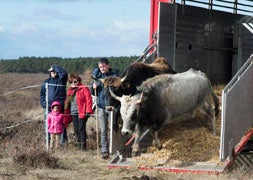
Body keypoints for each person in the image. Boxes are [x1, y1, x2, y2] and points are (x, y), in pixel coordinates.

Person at [91, 58, 119, 159]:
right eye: (100, 67)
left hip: (111, 106)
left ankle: (114, 149)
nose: (102, 68)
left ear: (108, 65)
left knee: (113, 129)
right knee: (103, 130)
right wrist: (93, 87)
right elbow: (92, 92)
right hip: (101, 106)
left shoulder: (114, 76)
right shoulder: (96, 78)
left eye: (104, 66)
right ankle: (104, 151)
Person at [40, 64, 68, 145]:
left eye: (55, 71)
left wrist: (54, 67)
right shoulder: (46, 82)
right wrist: (44, 104)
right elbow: (42, 94)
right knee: (48, 125)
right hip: (49, 108)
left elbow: (64, 73)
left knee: (61, 126)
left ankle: (62, 145)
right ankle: (48, 144)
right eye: (52, 71)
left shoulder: (61, 80)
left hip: (60, 108)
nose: (53, 72)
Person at [64, 73, 93, 150]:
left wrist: (88, 111)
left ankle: (83, 147)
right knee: (76, 129)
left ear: (78, 81)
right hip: (73, 112)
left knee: (81, 128)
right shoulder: (70, 90)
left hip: (82, 111)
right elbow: (68, 101)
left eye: (75, 81)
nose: (74, 83)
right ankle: (79, 144)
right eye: (72, 82)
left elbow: (89, 99)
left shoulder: (84, 88)